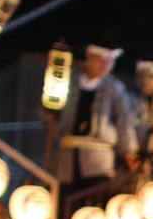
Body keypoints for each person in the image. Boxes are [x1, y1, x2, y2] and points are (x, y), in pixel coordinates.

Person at [53, 44, 142, 190]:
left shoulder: (114, 87)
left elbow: (123, 119)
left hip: (99, 160)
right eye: (103, 59)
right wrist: (49, 112)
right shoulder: (67, 82)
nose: (107, 64)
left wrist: (129, 151)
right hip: (68, 157)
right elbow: (54, 115)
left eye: (111, 60)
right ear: (89, 55)